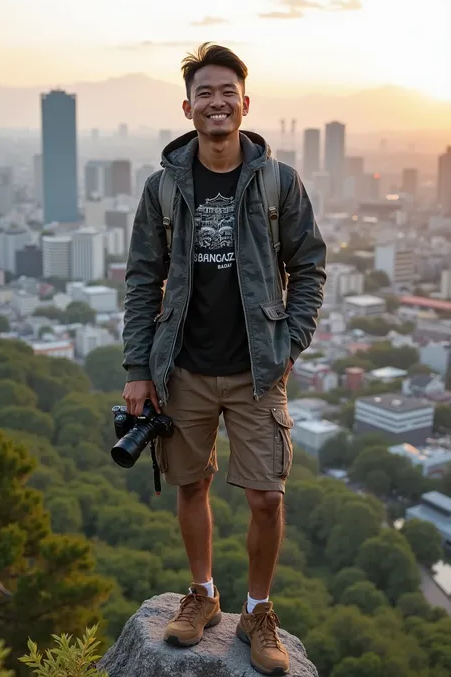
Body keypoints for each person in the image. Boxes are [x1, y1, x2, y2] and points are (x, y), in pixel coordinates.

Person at [122, 42, 326, 676]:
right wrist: (137, 368)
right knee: (192, 483)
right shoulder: (162, 188)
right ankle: (203, 596)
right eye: (203, 92)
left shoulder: (278, 181)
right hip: (181, 365)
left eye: (226, 91)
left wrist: (290, 343)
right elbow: (142, 279)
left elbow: (310, 267)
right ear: (188, 107)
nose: (216, 101)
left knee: (266, 496)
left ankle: (258, 611)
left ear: (245, 101)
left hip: (258, 368)